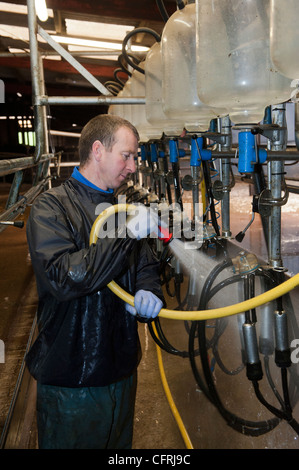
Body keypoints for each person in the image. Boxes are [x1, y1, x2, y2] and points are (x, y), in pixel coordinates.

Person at [26, 114, 165, 449]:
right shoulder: (50, 207)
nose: (133, 167)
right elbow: (65, 277)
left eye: (136, 158)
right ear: (98, 150)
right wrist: (126, 235)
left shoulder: (122, 208)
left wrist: (148, 291)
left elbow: (144, 266)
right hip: (71, 378)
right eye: (127, 155)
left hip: (120, 370)